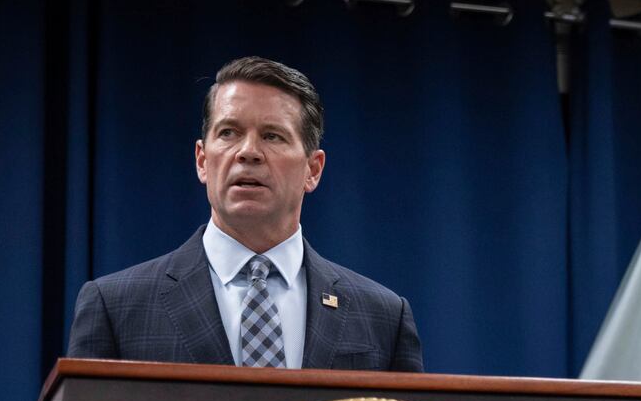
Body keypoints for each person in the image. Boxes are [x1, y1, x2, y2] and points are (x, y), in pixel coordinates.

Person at [68, 56, 422, 371]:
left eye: (272, 136)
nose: (248, 152)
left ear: (313, 170)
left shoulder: (384, 317)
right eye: (228, 133)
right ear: (202, 160)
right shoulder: (115, 307)